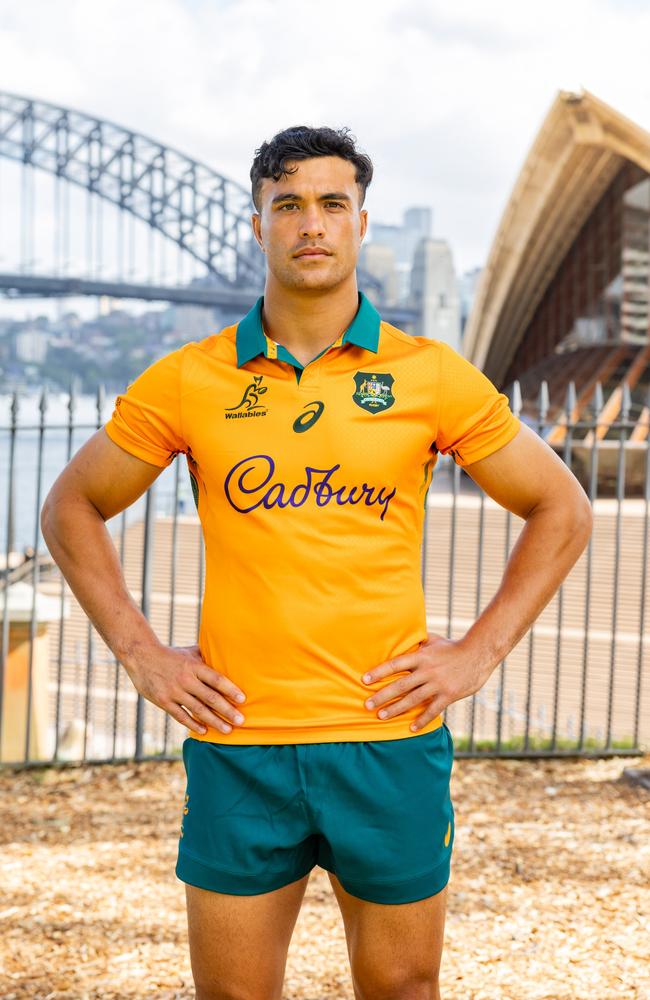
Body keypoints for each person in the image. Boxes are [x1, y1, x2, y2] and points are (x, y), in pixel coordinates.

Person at [41, 125, 593, 1000]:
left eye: (332, 204)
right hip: (241, 743)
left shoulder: (429, 375)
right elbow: (71, 505)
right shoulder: (191, 378)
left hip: (388, 740)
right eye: (287, 204)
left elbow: (561, 506)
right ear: (257, 224)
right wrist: (142, 655)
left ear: (362, 224)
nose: (311, 224)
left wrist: (476, 654)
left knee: (403, 988)